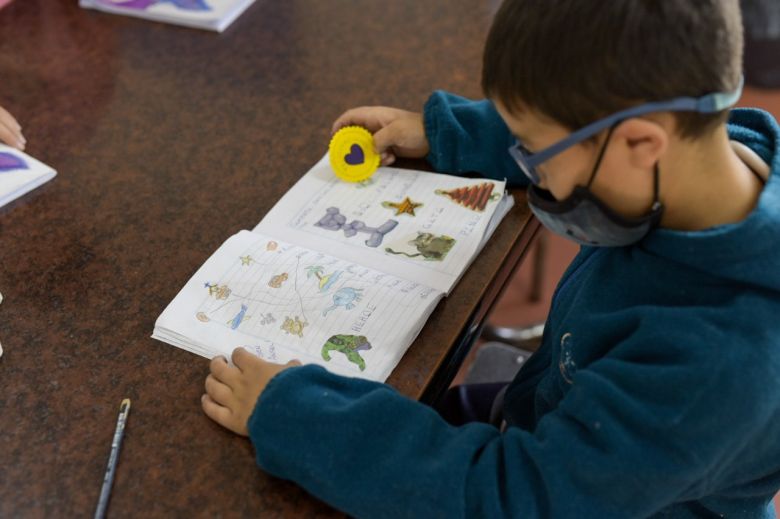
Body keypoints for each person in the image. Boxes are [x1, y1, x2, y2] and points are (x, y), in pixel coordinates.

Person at [201, 1, 780, 516]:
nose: (531, 168)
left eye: (536, 154)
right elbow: (570, 118)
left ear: (640, 144)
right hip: (556, 416)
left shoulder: (720, 364)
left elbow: (514, 497)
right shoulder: (708, 149)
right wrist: (445, 132)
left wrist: (302, 418)